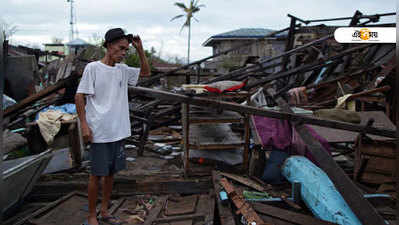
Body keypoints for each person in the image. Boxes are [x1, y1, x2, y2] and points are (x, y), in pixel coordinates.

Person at [75, 28, 150, 225]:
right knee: (96, 175)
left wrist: (140, 50)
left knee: (110, 174)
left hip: (118, 131)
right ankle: (92, 215)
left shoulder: (122, 70)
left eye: (127, 49)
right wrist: (84, 125)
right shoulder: (93, 68)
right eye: (121, 48)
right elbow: (79, 95)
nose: (124, 52)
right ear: (109, 46)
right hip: (99, 131)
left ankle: (105, 211)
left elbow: (145, 72)